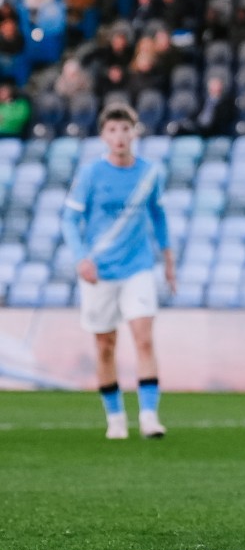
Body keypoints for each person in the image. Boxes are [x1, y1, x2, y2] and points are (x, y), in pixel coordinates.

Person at [60, 103, 174, 440]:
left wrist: (168, 260)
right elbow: (69, 219)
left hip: (138, 267)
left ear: (134, 132)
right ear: (103, 136)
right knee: (105, 345)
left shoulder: (151, 172)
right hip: (99, 271)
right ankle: (115, 419)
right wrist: (81, 258)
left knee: (144, 339)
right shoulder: (91, 174)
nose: (120, 136)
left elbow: (159, 216)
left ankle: (150, 417)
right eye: (112, 130)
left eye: (125, 129)